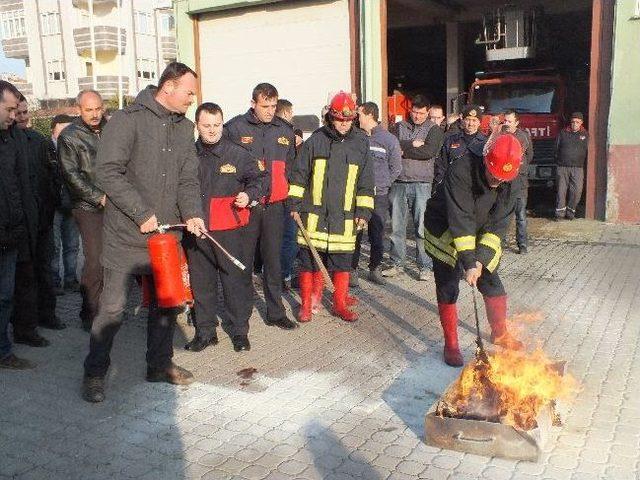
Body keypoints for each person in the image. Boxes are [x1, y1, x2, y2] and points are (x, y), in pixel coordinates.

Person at [81, 62, 206, 403]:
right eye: (189, 92)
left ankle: (159, 365)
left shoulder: (184, 129)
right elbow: (107, 172)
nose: (192, 99)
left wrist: (193, 213)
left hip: (167, 238)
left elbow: (187, 179)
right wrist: (141, 212)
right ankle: (94, 372)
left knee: (167, 306)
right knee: (113, 309)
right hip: (127, 236)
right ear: (168, 87)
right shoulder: (127, 120)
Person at [424, 126, 524, 367]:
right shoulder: (461, 169)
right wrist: (468, 262)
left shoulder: (512, 179)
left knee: (491, 281)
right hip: (445, 229)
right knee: (448, 287)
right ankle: (451, 344)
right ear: (485, 160)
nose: (496, 181)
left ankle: (500, 333)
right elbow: (461, 218)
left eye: (502, 179)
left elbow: (498, 223)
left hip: (479, 229)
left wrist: (480, 260)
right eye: (493, 175)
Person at [288, 91, 374, 322]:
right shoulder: (315, 141)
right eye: (340, 119)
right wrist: (294, 204)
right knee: (308, 262)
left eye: (348, 120)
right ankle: (306, 305)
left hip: (345, 217)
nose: (344, 124)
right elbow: (299, 175)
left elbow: (367, 181)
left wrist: (364, 211)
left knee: (343, 263)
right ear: (330, 117)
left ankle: (339, 304)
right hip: (313, 216)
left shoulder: (361, 143)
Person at [184, 102, 263, 353]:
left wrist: (250, 195)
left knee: (235, 283)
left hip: (231, 231)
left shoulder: (238, 154)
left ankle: (239, 331)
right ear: (197, 125)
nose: (212, 130)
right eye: (206, 126)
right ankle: (205, 332)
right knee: (202, 284)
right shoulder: (187, 155)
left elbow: (261, 180)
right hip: (198, 230)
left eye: (217, 125)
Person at [225, 83, 298, 330]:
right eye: (265, 106)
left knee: (273, 262)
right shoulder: (235, 128)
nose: (269, 111)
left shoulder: (285, 131)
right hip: (247, 207)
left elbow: (291, 169)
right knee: (244, 262)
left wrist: (291, 200)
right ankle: (240, 315)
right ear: (253, 103)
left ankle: (275, 313)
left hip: (275, 207)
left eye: (273, 106)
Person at [12, 94, 66, 333]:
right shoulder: (9, 142)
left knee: (44, 269)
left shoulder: (39, 141)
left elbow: (53, 175)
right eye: (18, 113)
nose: (22, 117)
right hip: (20, 222)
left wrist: (51, 203)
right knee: (24, 274)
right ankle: (25, 323)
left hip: (43, 218)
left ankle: (47, 315)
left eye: (25, 113)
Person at [58, 90, 107, 331]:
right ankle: (89, 313)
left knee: (112, 260)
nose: (95, 114)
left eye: (98, 108)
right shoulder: (70, 136)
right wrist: (98, 197)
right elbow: (70, 175)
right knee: (95, 261)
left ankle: (108, 307)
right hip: (87, 205)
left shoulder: (112, 130)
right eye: (89, 110)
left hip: (115, 203)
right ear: (79, 110)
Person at [384, 94, 444, 280]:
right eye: (414, 112)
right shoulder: (399, 126)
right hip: (399, 182)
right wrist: (411, 144)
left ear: (427, 113)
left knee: (421, 228)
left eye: (421, 113)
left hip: (422, 184)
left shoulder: (434, 130)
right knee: (396, 227)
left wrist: (404, 150)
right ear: (410, 111)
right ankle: (396, 264)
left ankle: (425, 266)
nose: (417, 116)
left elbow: (428, 152)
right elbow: (391, 148)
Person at [0, 81, 34, 369]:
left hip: (10, 234)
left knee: (5, 297)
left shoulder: (12, 139)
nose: (14, 116)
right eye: (10, 109)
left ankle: (3, 351)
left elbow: (18, 187)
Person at [351, 101, 402, 286]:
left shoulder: (389, 140)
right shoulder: (355, 137)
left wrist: (382, 184)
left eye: (359, 114)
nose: (357, 117)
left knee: (376, 233)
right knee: (354, 233)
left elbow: (396, 168)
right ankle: (352, 270)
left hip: (378, 195)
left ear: (369, 115)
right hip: (356, 194)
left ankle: (374, 268)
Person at [50, 114, 80, 295]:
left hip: (72, 203)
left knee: (73, 245)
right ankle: (54, 281)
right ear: (53, 130)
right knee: (54, 246)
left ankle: (70, 279)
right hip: (54, 205)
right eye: (62, 130)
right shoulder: (45, 148)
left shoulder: (74, 147)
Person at [275, 98, 300, 290]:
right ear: (285, 113)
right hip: (285, 192)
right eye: (291, 113)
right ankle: (285, 275)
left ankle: (268, 272)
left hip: (269, 194)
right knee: (289, 237)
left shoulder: (268, 131)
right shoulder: (287, 133)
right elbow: (291, 167)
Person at [502, 110, 533, 254]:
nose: (506, 124)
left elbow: (529, 155)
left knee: (520, 216)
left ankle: (522, 245)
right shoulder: (500, 135)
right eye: (505, 121)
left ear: (516, 122)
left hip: (520, 181)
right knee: (502, 214)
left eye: (509, 121)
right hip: (503, 181)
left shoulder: (524, 136)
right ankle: (499, 242)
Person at [434, 105, 487, 186]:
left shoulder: (485, 143)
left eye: (474, 120)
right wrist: (441, 181)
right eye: (468, 120)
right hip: (453, 186)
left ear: (479, 122)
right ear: (463, 120)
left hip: (476, 187)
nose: (470, 123)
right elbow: (442, 164)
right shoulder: (451, 140)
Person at [555, 112, 588, 220]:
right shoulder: (563, 133)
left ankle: (570, 212)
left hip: (578, 168)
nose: (574, 124)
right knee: (561, 191)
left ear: (581, 123)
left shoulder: (585, 134)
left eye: (577, 122)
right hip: (562, 167)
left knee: (577, 191)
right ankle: (560, 214)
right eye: (573, 122)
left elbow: (588, 150)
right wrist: (558, 162)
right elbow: (556, 148)